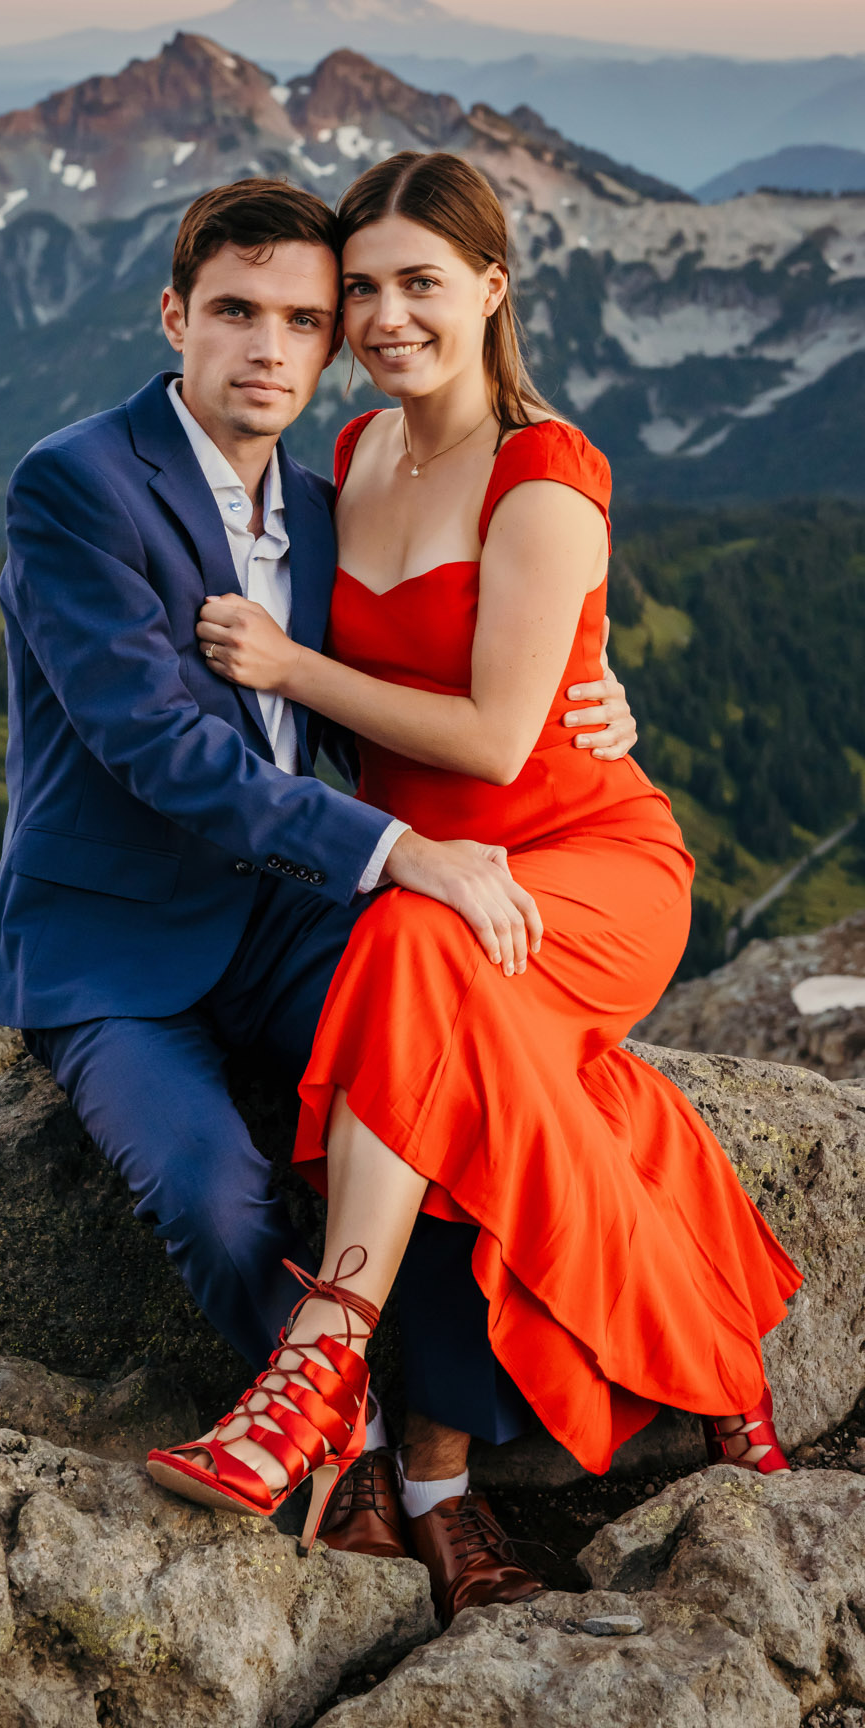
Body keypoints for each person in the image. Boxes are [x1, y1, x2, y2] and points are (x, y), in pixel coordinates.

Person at [147, 152, 803, 1621]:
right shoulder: (361, 459)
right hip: (442, 873)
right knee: (447, 995)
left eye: (419, 284)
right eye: (361, 290)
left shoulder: (546, 470)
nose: (384, 319)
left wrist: (289, 657)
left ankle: (320, 1358)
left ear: (492, 290)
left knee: (412, 947)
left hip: (584, 863)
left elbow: (506, 739)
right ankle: (531, 1406)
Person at [0, 173, 638, 1598]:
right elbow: (156, 747)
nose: (270, 348)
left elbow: (426, 667)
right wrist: (401, 853)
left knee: (457, 1069)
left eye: (300, 318)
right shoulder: (77, 485)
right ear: (176, 317)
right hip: (115, 949)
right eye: (235, 313)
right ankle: (351, 1436)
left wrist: (592, 678)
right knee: (223, 1204)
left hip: (282, 912)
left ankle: (447, 1482)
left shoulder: (334, 499)